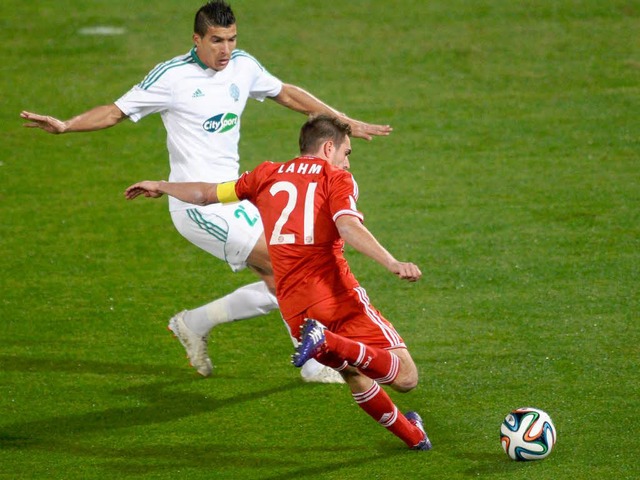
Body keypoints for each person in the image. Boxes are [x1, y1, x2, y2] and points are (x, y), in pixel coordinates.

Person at [20, 0, 392, 383]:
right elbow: (115, 111)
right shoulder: (171, 77)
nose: (225, 50)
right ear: (196, 39)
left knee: (281, 278)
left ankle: (195, 323)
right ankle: (315, 361)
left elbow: (286, 93)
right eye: (216, 40)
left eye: (231, 39)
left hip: (232, 195)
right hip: (196, 205)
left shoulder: (242, 66)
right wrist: (66, 125)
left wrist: (343, 121)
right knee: (291, 265)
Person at [124, 115, 431, 450]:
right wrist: (392, 261)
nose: (347, 159)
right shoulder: (337, 178)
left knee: (353, 373)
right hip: (335, 294)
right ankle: (328, 341)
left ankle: (414, 436)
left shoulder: (266, 173)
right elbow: (347, 226)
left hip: (294, 307)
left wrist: (161, 185)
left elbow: (206, 194)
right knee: (405, 377)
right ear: (328, 148)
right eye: (346, 151)